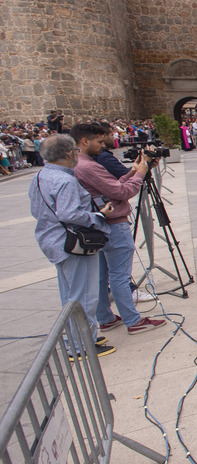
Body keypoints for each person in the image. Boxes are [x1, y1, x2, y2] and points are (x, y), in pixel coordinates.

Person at [71, 123, 164, 335]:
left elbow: (110, 190)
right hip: (114, 224)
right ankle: (133, 321)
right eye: (99, 141)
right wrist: (140, 174)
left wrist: (131, 171)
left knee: (103, 275)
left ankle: (105, 317)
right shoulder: (88, 166)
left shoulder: (79, 164)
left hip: (102, 224)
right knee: (119, 276)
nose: (103, 146)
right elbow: (121, 193)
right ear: (85, 141)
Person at [28, 134, 116, 357]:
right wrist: (98, 215)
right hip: (72, 244)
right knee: (85, 295)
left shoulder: (40, 176)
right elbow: (69, 214)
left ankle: (78, 338)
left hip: (53, 241)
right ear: (69, 154)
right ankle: (81, 345)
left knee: (70, 295)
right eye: (75, 151)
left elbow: (36, 208)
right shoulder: (65, 180)